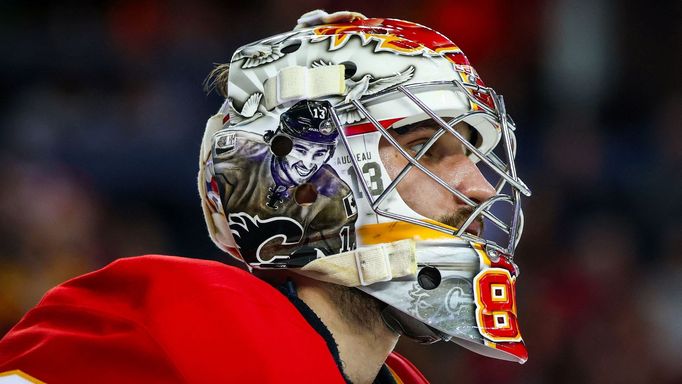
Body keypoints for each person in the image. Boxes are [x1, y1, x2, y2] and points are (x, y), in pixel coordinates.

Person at [0, 9, 531, 384]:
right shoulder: (175, 324)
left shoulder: (396, 378)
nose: (480, 188)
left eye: (473, 155)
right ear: (306, 179)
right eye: (427, 150)